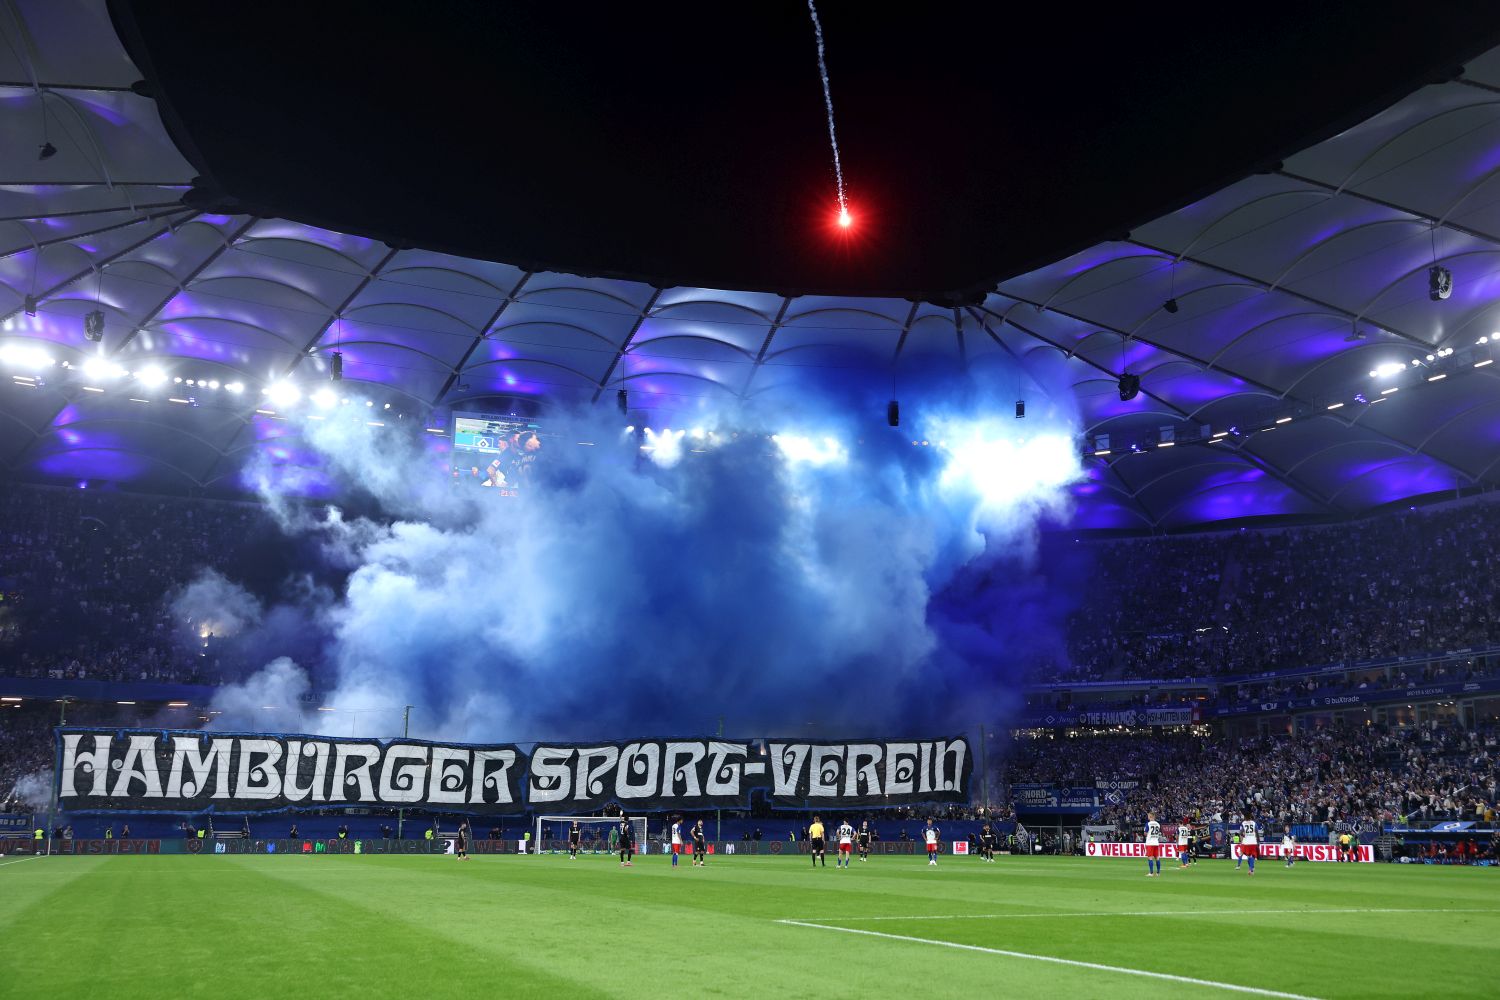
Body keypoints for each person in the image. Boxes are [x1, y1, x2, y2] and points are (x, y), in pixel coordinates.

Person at [1145, 812, 1163, 877]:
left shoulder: (1148, 824)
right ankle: (1158, 873)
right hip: (1156, 842)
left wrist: (1148, 835)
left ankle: (1151, 873)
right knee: (1157, 858)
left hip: (1150, 843)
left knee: (1150, 858)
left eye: (1148, 816)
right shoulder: (1158, 824)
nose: (1147, 817)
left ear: (1150, 816)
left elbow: (1145, 833)